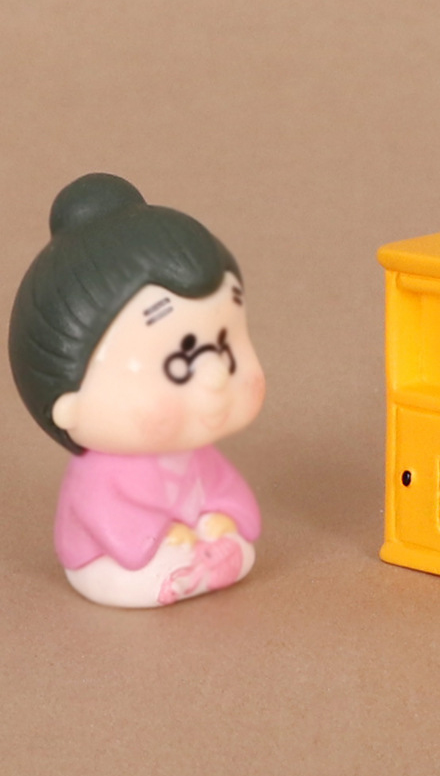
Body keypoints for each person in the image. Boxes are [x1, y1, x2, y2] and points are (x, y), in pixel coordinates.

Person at [8, 173, 266, 607]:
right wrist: (167, 536)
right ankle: (180, 571)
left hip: (193, 543)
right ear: (69, 404)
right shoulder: (102, 475)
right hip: (117, 557)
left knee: (236, 546)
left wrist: (221, 519)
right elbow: (115, 525)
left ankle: (197, 567)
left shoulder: (197, 453)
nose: (215, 376)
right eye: (178, 363)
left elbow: (223, 491)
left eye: (223, 347)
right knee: (131, 574)